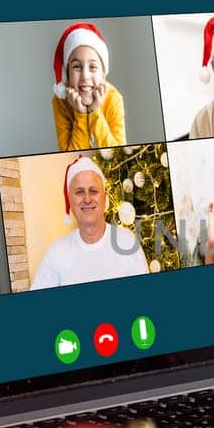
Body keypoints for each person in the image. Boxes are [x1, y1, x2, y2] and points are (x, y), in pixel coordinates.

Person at [29, 154, 150, 288]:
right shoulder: (57, 252)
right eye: (79, 192)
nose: (87, 199)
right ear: (70, 200)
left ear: (104, 197)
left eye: (93, 191)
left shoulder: (127, 242)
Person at [51, 22, 126, 150]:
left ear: (103, 74)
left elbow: (117, 153)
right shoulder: (60, 102)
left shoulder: (114, 99)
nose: (85, 76)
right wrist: (80, 114)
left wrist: (95, 112)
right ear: (68, 73)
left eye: (92, 67)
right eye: (76, 67)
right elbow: (69, 154)